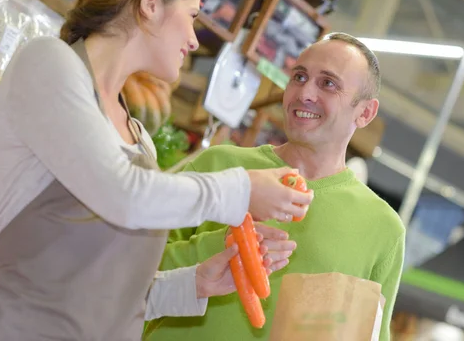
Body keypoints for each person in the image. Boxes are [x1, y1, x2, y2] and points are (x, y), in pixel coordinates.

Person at [0, 0, 314, 340]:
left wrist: (196, 282)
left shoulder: (140, 143)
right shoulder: (48, 63)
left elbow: (103, 296)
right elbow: (124, 194)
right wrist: (242, 189)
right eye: (191, 16)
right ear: (151, 2)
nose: (195, 40)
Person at [144, 32, 406, 341]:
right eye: (299, 76)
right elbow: (129, 264)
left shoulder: (383, 230)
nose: (304, 93)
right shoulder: (218, 165)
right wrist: (227, 247)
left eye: (328, 83)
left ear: (365, 112)